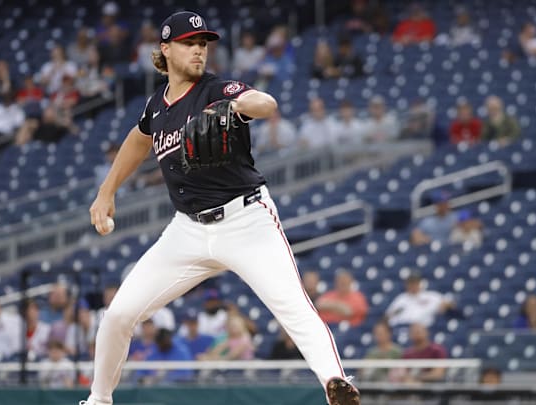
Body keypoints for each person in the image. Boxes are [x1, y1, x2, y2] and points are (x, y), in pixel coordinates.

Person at [83, 10, 358, 405]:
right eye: (188, 43)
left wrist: (235, 107)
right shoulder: (156, 106)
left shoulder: (216, 89)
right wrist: (106, 191)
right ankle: (98, 400)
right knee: (118, 316)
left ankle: (336, 383)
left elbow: (265, 103)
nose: (199, 50)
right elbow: (139, 138)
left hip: (246, 220)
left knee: (293, 307)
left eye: (203, 43)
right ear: (165, 50)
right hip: (187, 231)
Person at [385, 272, 455, 328]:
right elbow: (388, 316)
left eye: (415, 282)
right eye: (410, 282)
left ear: (419, 283)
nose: (412, 285)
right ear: (406, 284)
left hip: (424, 328)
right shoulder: (401, 298)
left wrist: (444, 307)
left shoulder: (429, 296)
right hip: (403, 328)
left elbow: (449, 304)